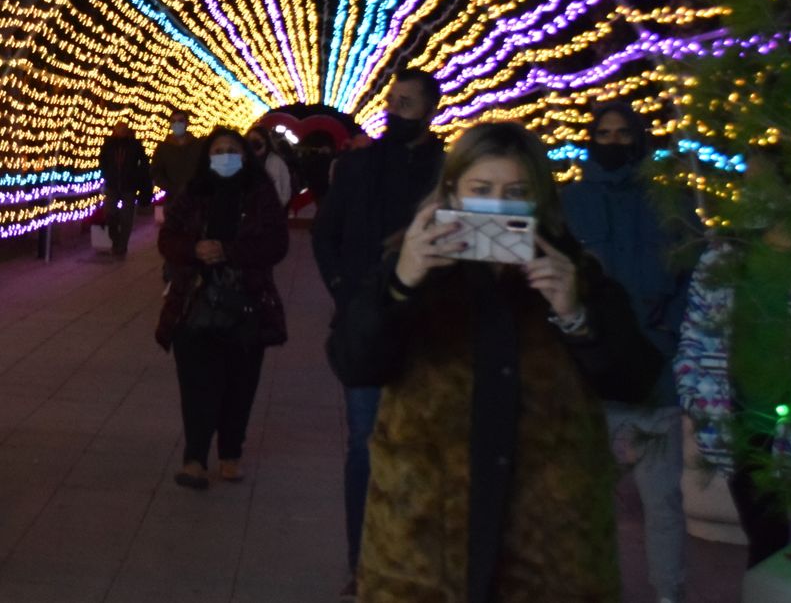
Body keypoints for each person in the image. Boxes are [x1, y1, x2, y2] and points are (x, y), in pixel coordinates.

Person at [328, 121, 661, 602]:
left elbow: (637, 380)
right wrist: (402, 284)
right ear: (453, 193)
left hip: (548, 554)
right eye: (481, 189)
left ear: (539, 199)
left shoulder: (574, 274)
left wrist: (575, 315)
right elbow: (353, 364)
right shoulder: (413, 268)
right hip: (426, 548)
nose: (498, 206)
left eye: (516, 191)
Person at [310, 67, 446, 593]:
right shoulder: (359, 167)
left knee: (423, 446)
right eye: (393, 101)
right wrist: (344, 289)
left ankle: (413, 557)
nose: (396, 110)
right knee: (365, 444)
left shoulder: (447, 171)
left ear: (430, 110)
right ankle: (361, 561)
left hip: (429, 329)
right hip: (367, 322)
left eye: (408, 103)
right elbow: (326, 234)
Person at [561, 103, 692, 603]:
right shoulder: (570, 202)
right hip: (593, 374)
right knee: (587, 499)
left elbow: (691, 277)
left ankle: (668, 594)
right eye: (603, 133)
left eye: (623, 134)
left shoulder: (671, 203)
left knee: (662, 501)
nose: (613, 142)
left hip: (656, 373)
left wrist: (670, 337)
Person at [676, 154, 791, 569]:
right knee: (766, 551)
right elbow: (694, 338)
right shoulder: (725, 259)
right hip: (742, 431)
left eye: (761, 178)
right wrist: (699, 398)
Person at [155, 127, 289, 488]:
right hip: (194, 303)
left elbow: (277, 243)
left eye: (232, 149)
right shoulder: (193, 193)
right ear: (207, 157)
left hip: (246, 304)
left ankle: (231, 453)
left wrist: (229, 251)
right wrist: (194, 250)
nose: (225, 155)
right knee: (197, 385)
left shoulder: (260, 194)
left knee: (239, 384)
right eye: (218, 150)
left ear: (245, 156)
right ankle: (195, 459)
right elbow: (167, 239)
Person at [99, 118, 152, 257]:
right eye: (119, 129)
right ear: (115, 130)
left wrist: (137, 176)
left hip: (129, 186)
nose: (121, 131)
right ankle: (116, 241)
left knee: (127, 217)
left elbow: (144, 162)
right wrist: (107, 174)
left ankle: (122, 247)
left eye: (124, 129)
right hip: (112, 184)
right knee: (110, 214)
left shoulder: (135, 145)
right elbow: (102, 161)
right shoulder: (109, 144)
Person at [151, 111, 205, 207]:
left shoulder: (198, 145)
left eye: (180, 121)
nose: (177, 124)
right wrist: (171, 187)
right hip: (173, 199)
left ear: (187, 123)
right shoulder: (163, 148)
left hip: (197, 198)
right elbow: (156, 171)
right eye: (173, 121)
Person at [247, 125, 294, 209]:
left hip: (272, 210)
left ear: (265, 140)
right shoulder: (247, 161)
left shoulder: (276, 161)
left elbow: (285, 189)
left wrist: (276, 207)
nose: (253, 143)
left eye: (256, 139)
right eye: (250, 140)